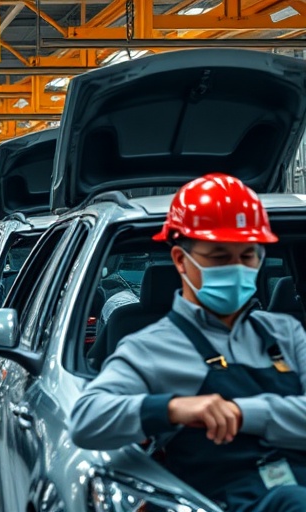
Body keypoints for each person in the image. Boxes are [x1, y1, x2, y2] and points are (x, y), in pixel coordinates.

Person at [70, 174, 306, 512]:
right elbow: (87, 420)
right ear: (182, 260)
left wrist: (242, 413)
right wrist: (172, 408)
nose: (238, 269)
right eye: (219, 257)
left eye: (248, 256)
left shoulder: (286, 332)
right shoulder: (151, 347)